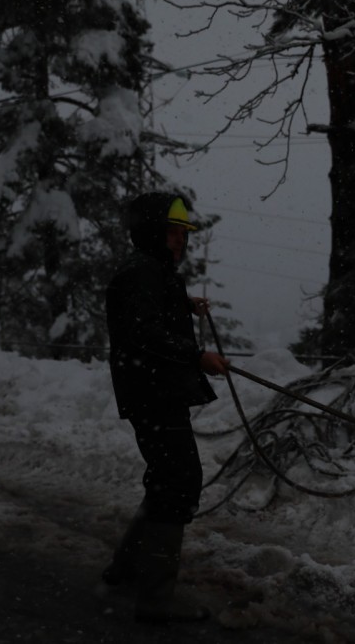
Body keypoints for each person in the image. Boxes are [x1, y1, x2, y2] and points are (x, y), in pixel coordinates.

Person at [103, 191, 228, 624]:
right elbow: (145, 333)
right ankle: (155, 603)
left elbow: (148, 317)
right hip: (152, 393)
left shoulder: (150, 271)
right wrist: (197, 358)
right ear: (152, 233)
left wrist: (184, 304)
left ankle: (127, 570)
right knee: (177, 485)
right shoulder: (142, 274)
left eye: (183, 234)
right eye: (173, 233)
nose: (180, 241)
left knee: (165, 483)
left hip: (153, 391)